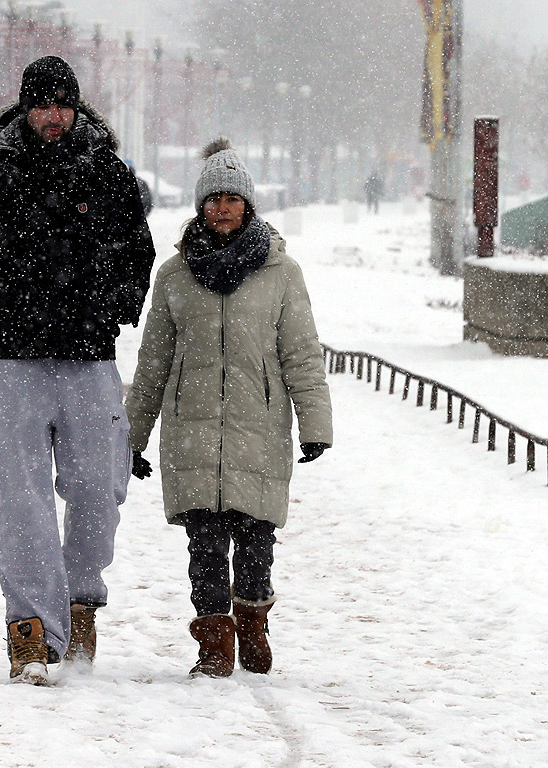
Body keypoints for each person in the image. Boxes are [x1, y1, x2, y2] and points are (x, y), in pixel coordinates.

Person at [0, 56, 156, 685]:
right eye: (43, 104)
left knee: (98, 490)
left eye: (64, 104)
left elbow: (136, 252)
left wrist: (111, 305)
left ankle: (81, 600)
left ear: (77, 108)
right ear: (25, 108)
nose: (54, 116)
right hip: (11, 360)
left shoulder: (107, 175)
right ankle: (30, 630)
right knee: (21, 499)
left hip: (88, 358)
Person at [126, 138, 332, 678]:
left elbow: (302, 354)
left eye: (232, 198)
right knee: (207, 545)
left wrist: (315, 424)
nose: (222, 207)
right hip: (190, 430)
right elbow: (153, 362)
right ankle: (214, 645)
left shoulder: (282, 273)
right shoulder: (173, 275)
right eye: (213, 198)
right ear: (200, 206)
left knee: (256, 542)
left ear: (249, 205)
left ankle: (254, 622)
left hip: (257, 429)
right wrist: (132, 436)